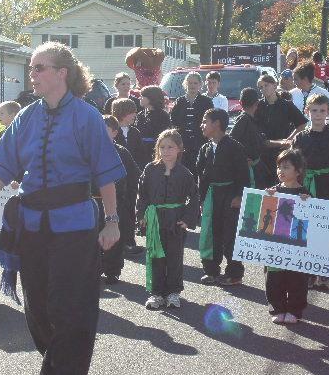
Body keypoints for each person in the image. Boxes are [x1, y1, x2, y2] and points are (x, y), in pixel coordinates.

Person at [0, 41, 125, 375]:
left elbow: (106, 173)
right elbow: (3, 164)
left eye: (39, 68)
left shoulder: (86, 117)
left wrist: (113, 221)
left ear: (61, 74)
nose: (32, 74)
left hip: (74, 226)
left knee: (69, 307)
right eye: (32, 68)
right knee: (36, 307)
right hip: (34, 225)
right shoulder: (27, 117)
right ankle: (61, 366)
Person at [136, 129, 199, 309]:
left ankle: (173, 292)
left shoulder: (185, 173)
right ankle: (156, 293)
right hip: (154, 219)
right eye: (162, 147)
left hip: (175, 221)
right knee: (156, 256)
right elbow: (142, 194)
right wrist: (142, 215)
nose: (166, 151)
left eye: (170, 147)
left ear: (179, 149)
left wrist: (187, 218)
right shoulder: (150, 169)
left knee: (174, 257)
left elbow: (194, 197)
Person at [292, 94, 329, 288]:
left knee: (326, 233)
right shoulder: (300, 137)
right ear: (307, 112)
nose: (318, 115)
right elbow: (293, 165)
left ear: (328, 112)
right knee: (305, 233)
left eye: (322, 111)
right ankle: (308, 273)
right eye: (314, 110)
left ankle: (325, 273)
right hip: (305, 188)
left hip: (328, 186)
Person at [196, 108, 248, 286]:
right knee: (211, 233)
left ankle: (234, 273)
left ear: (217, 124)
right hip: (212, 196)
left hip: (230, 195)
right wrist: (202, 199)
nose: (201, 125)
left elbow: (243, 174)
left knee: (230, 235)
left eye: (205, 121)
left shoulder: (235, 147)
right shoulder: (205, 148)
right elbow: (201, 176)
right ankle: (211, 270)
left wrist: (239, 195)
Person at [265, 149, 310, 324]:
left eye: (286, 167)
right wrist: (267, 197)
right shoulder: (273, 191)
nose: (280, 171)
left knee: (296, 277)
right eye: (278, 167)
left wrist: (308, 202)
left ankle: (294, 310)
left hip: (296, 244)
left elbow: (311, 218)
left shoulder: (304, 193)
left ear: (298, 171)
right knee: (274, 276)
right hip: (276, 242)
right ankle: (278, 308)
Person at [96, 115, 141, 284]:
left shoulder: (122, 152)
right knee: (93, 238)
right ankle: (95, 268)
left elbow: (134, 175)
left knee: (114, 239)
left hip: (116, 203)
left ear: (114, 133)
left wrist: (130, 201)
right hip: (93, 202)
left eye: (104, 130)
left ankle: (112, 270)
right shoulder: (88, 152)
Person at [255, 75, 308, 184]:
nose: (263, 89)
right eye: (261, 87)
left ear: (274, 85)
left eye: (266, 85)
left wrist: (289, 140)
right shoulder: (258, 106)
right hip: (264, 153)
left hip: (283, 153)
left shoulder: (285, 104)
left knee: (282, 184)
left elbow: (302, 124)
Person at [111, 98, 144, 253]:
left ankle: (129, 240)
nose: (135, 115)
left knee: (131, 207)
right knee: (119, 210)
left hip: (132, 178)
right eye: (132, 112)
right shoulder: (112, 131)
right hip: (117, 179)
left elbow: (140, 153)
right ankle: (120, 242)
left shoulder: (135, 132)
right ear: (123, 113)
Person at [229, 87, 275, 190]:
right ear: (257, 103)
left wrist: (283, 143)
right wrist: (243, 158)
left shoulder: (252, 120)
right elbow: (231, 140)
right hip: (248, 170)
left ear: (240, 102)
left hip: (257, 167)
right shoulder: (243, 119)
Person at [170, 72, 213, 175]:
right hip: (182, 143)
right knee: (182, 171)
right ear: (185, 84)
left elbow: (210, 121)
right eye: (190, 83)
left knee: (199, 171)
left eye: (195, 83)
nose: (192, 85)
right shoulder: (179, 101)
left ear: (200, 85)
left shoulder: (206, 101)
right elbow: (173, 121)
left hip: (200, 142)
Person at [134, 85, 172, 168]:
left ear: (151, 98)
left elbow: (165, 136)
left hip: (156, 152)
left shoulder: (163, 115)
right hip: (141, 152)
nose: (140, 98)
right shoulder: (140, 115)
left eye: (142, 96)